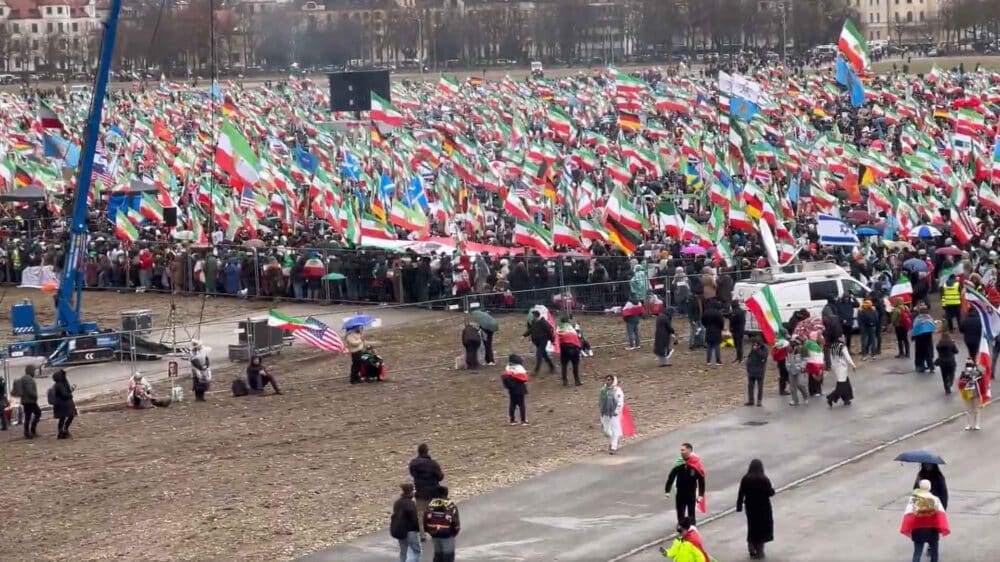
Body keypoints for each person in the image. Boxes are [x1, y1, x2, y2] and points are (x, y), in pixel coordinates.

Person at [900, 479, 950, 562]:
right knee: (934, 554)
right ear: (929, 487)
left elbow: (908, 514)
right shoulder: (935, 500)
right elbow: (941, 515)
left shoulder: (913, 500)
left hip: (918, 531)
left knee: (917, 554)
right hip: (932, 531)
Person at [736, 459, 775, 560]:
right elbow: (770, 493)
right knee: (762, 528)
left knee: (752, 526)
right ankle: (760, 550)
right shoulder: (764, 479)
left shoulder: (746, 478)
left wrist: (739, 506)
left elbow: (741, 492)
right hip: (763, 507)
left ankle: (751, 544)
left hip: (750, 507)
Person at [664, 443, 707, 525]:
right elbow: (671, 476)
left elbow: (701, 480)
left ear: (689, 450)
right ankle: (681, 529)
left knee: (691, 512)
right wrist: (667, 490)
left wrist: (701, 495)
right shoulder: (679, 463)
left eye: (683, 450)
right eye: (680, 450)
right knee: (680, 513)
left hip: (691, 493)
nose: (681, 452)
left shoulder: (695, 464)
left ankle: (692, 529)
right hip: (680, 493)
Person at [409, 443, 444, 541]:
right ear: (427, 451)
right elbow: (440, 477)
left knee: (421, 514)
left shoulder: (413, 464)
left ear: (418, 451)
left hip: (420, 492)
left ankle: (422, 534)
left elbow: (412, 474)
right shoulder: (433, 464)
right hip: (434, 492)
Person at [424, 485, 460, 562]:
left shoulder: (431, 504)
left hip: (434, 533)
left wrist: (429, 531)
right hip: (447, 533)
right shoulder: (450, 505)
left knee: (438, 554)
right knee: (448, 555)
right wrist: (454, 532)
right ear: (447, 493)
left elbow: (425, 519)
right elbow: (455, 521)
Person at [390, 482, 421, 562]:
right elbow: (414, 518)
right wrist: (418, 529)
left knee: (403, 551)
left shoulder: (397, 502)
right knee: (416, 551)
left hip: (399, 530)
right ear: (411, 491)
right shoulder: (410, 504)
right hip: (410, 530)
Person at [10, 364, 40, 439]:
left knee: (28, 417)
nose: (35, 372)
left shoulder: (24, 378)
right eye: (34, 370)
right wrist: (35, 396)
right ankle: (31, 431)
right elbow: (30, 390)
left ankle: (27, 432)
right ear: (31, 371)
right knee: (37, 413)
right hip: (30, 401)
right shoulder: (28, 379)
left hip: (25, 401)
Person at [826, 336, 857, 407]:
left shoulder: (833, 347)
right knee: (842, 385)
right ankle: (831, 397)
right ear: (839, 338)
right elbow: (847, 357)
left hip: (836, 367)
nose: (844, 338)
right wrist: (853, 365)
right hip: (842, 367)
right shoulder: (843, 347)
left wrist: (833, 366)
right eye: (842, 337)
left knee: (846, 383)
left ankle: (846, 399)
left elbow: (831, 358)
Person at [599, 375, 626, 454]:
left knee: (615, 429)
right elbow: (601, 400)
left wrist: (617, 411)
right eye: (606, 380)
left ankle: (614, 446)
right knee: (607, 430)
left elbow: (620, 402)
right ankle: (614, 439)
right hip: (605, 413)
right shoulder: (603, 390)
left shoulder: (617, 391)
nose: (607, 381)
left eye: (609, 380)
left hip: (613, 413)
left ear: (613, 381)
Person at [957, 358, 985, 431]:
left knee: (976, 410)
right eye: (967, 364)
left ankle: (977, 424)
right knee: (968, 410)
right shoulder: (963, 373)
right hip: (967, 393)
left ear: (973, 364)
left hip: (976, 393)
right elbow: (959, 384)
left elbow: (982, 382)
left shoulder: (978, 373)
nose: (968, 366)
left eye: (970, 364)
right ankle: (968, 424)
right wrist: (964, 381)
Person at [523, 310, 555, 374]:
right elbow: (530, 330)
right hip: (537, 341)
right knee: (544, 355)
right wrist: (524, 335)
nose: (532, 317)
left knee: (539, 354)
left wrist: (552, 340)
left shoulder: (543, 322)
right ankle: (552, 366)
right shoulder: (534, 322)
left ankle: (536, 370)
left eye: (533, 316)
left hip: (543, 341)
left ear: (536, 316)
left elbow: (549, 331)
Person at [501, 354, 529, 425]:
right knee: (521, 404)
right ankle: (523, 420)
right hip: (520, 388)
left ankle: (512, 420)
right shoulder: (519, 368)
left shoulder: (508, 367)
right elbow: (525, 377)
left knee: (512, 404)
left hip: (512, 389)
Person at [556, 316, 583, 386]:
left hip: (564, 347)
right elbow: (578, 336)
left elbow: (556, 338)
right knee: (575, 365)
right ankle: (577, 381)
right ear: (568, 321)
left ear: (561, 322)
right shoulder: (571, 327)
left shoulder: (558, 328)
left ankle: (565, 381)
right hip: (574, 346)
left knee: (564, 365)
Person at [50, 369, 77, 439]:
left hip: (60, 404)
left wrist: (70, 391)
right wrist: (70, 394)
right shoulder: (61, 384)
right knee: (70, 416)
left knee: (62, 418)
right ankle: (64, 430)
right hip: (65, 404)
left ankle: (61, 431)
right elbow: (64, 394)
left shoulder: (57, 384)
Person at [911, 305, 936, 374]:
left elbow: (914, 327)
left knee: (919, 353)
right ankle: (931, 367)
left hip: (919, 339)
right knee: (928, 354)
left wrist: (913, 336)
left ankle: (920, 367)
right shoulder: (929, 318)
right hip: (928, 338)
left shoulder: (918, 319)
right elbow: (933, 326)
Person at [745, 336, 768, 407]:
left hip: (760, 370)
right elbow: (750, 357)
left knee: (760, 386)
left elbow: (764, 356)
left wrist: (757, 350)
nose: (755, 344)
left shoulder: (764, 348)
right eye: (754, 343)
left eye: (756, 343)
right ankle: (751, 400)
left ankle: (759, 401)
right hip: (751, 370)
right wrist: (748, 365)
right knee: (750, 386)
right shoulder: (753, 348)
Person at [786, 339, 809, 406]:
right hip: (791, 370)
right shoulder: (788, 352)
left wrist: (802, 367)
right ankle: (795, 400)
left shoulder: (801, 350)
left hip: (799, 370)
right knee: (792, 387)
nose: (789, 347)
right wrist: (788, 367)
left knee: (800, 384)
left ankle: (805, 396)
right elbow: (787, 360)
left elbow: (805, 360)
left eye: (790, 345)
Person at [701, 300, 724, 365]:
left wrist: (706, 326)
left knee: (709, 346)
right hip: (717, 330)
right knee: (717, 346)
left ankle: (708, 361)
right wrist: (721, 328)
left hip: (708, 330)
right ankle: (718, 361)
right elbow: (722, 322)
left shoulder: (706, 312)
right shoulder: (718, 313)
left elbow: (703, 320)